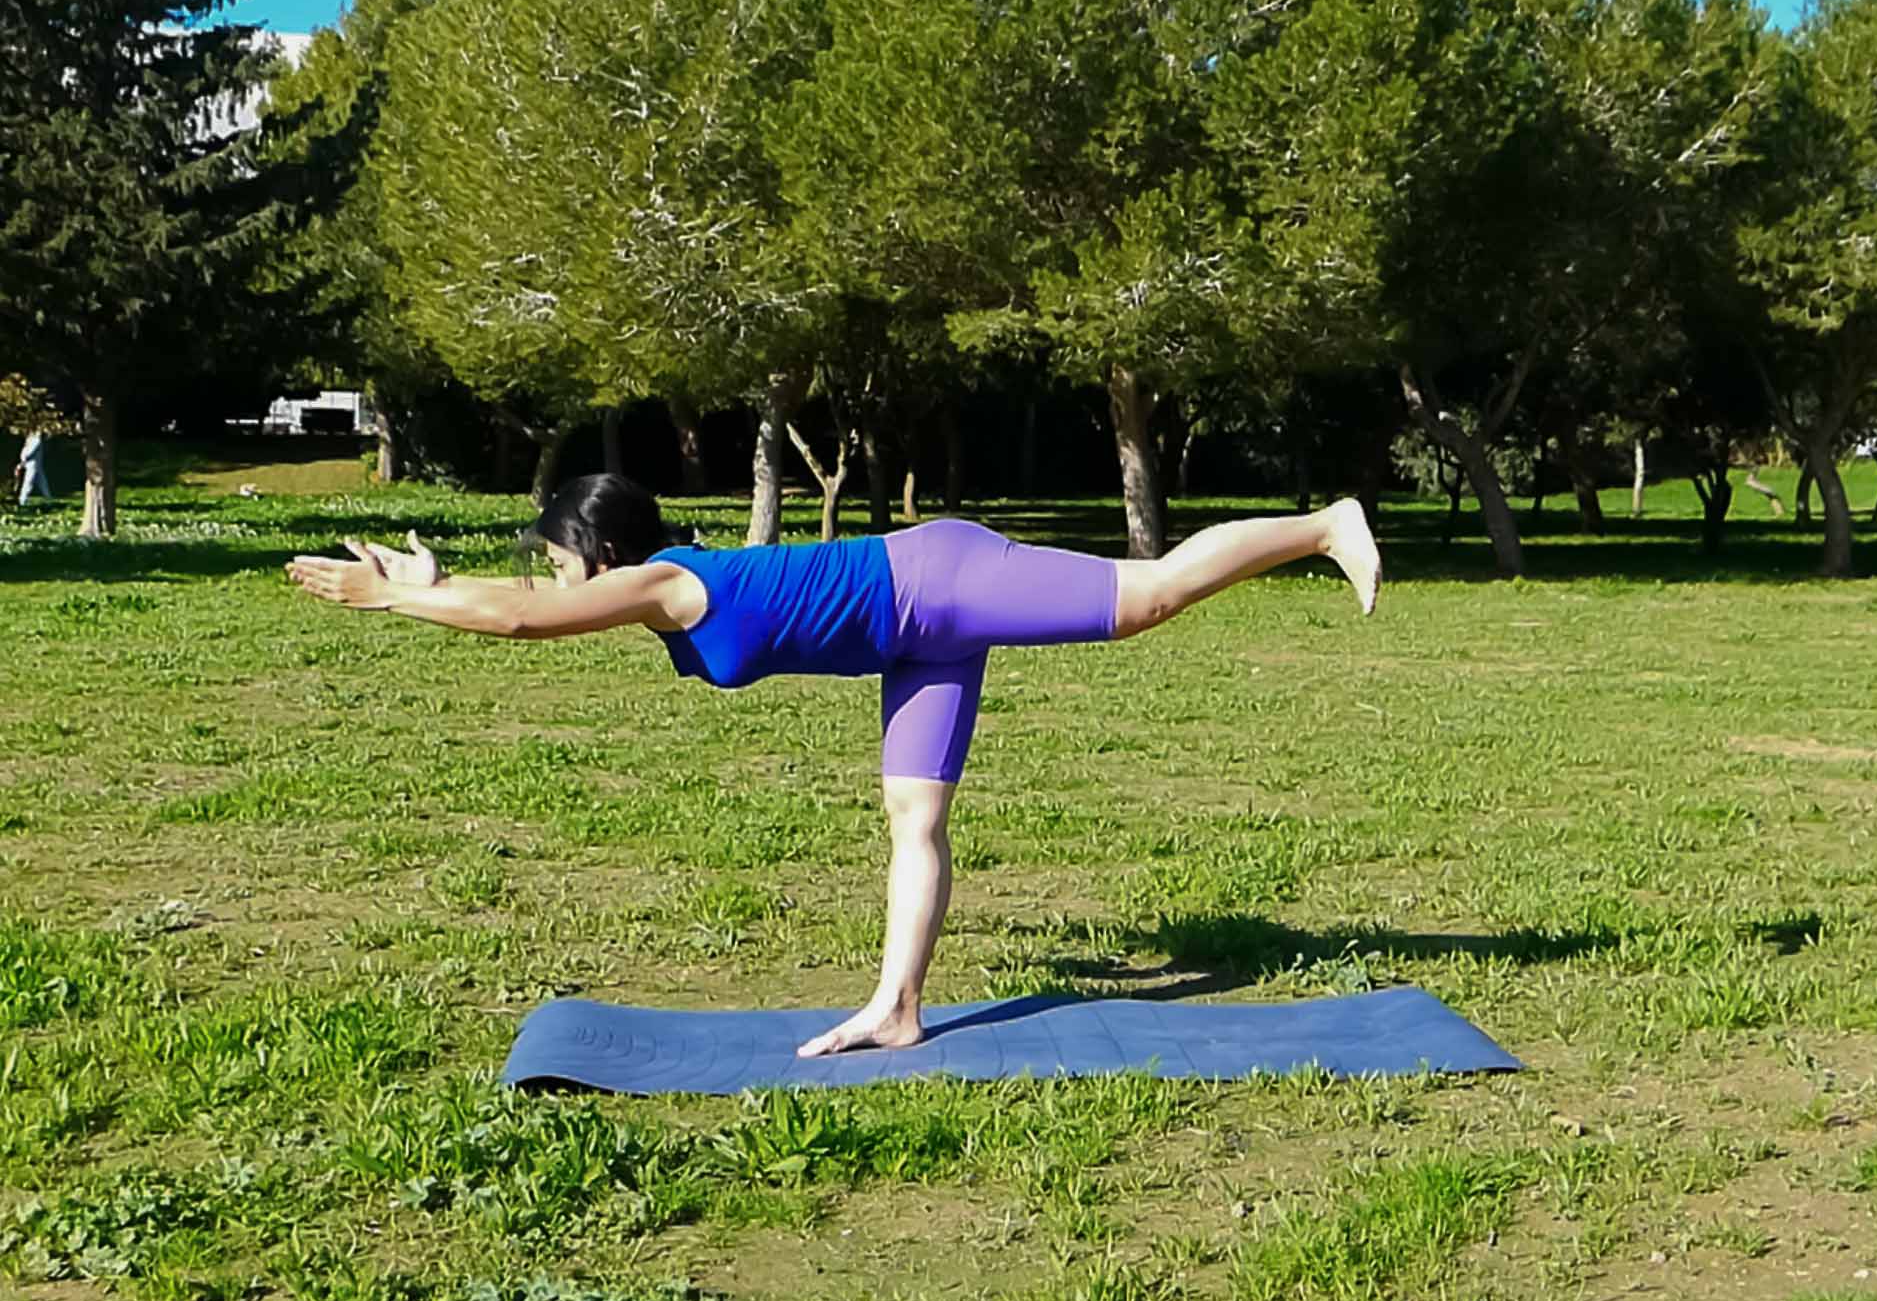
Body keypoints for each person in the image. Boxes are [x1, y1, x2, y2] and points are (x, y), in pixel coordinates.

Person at [287, 476, 1382, 1057]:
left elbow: (527, 621)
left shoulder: (666, 581)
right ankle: (898, 1006)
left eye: (562, 559)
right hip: (911, 638)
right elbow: (525, 604)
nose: (555, 577)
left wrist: (395, 597)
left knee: (1144, 596)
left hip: (936, 579)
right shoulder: (644, 595)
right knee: (914, 819)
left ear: (599, 556)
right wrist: (433, 583)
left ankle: (1322, 524)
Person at [13, 430, 50, 506]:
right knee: (42, 483)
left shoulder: (36, 440)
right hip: (32, 464)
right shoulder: (31, 439)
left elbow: (28, 453)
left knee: (29, 483)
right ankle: (48, 499)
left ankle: (22, 500)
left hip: (33, 465)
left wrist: (22, 460)